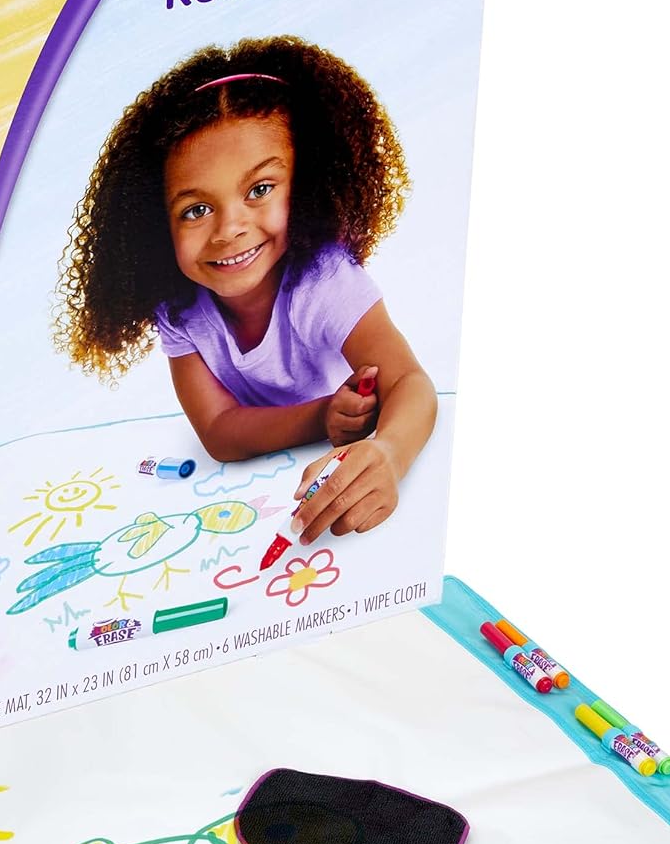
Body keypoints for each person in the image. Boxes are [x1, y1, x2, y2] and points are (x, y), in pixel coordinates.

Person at [55, 36, 437, 541]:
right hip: (256, 495)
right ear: (153, 226)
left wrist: (389, 451)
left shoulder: (323, 283)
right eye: (196, 209)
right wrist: (323, 416)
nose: (229, 229)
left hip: (341, 472)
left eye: (259, 190)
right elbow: (218, 431)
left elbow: (411, 383)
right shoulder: (180, 312)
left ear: (306, 184)